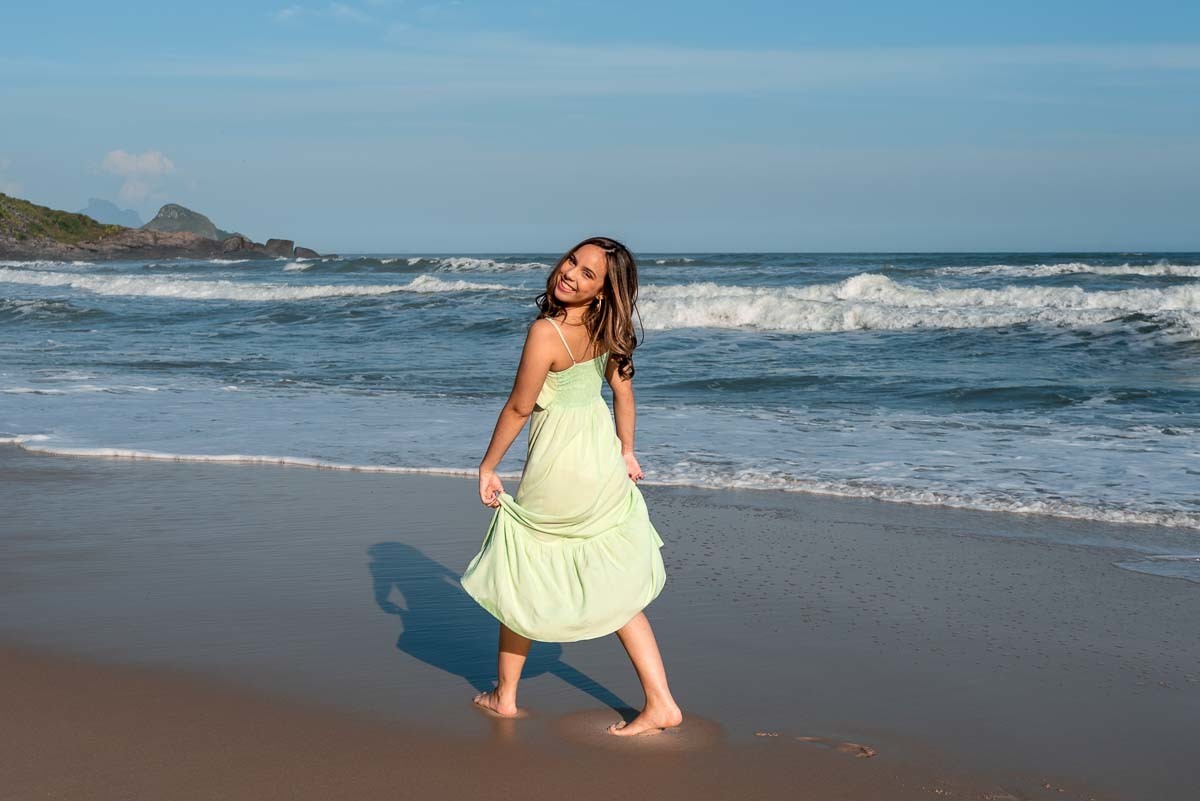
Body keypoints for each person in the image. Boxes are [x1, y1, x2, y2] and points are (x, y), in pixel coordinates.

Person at [460, 236, 683, 736]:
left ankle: (506, 697)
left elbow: (520, 406)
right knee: (617, 587)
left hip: (560, 465)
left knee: (522, 574)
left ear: (602, 291)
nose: (571, 274)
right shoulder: (610, 329)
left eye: (587, 274)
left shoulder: (546, 332)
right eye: (572, 262)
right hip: (600, 461)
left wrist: (487, 465)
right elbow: (624, 395)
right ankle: (661, 701)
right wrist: (626, 451)